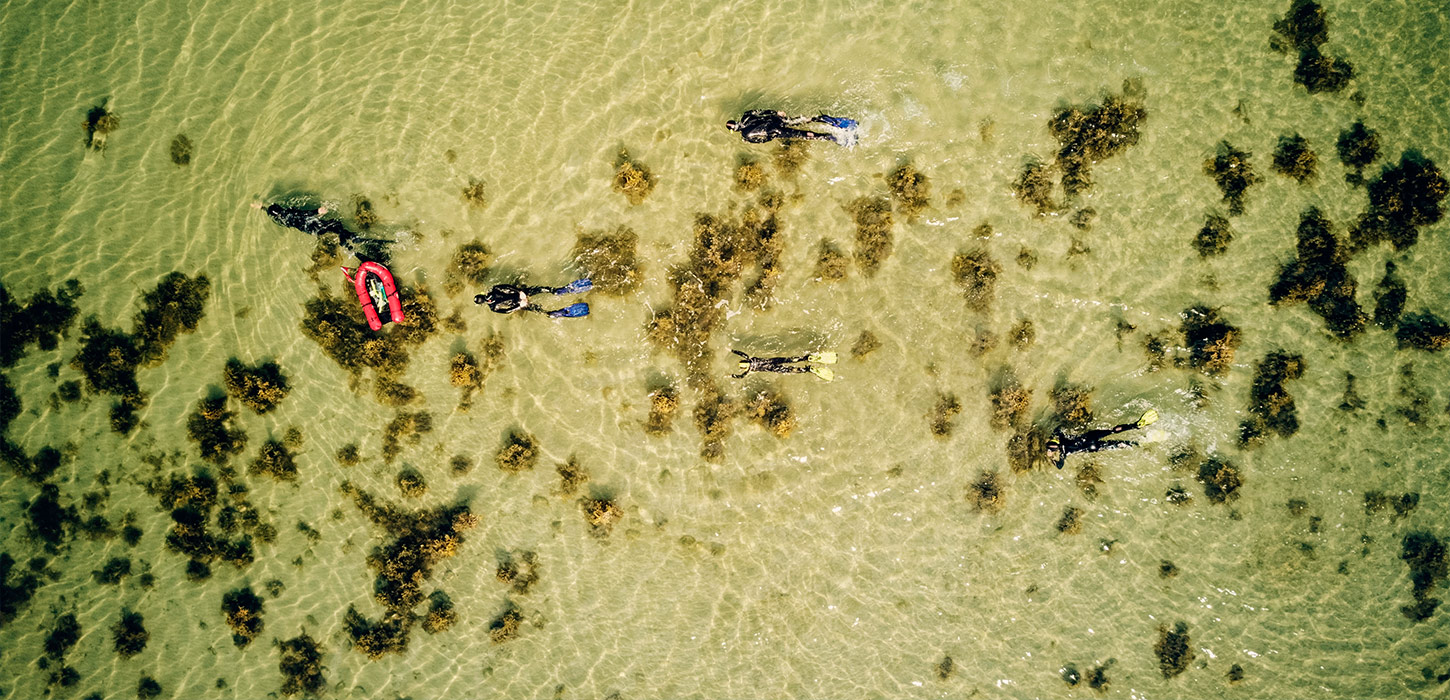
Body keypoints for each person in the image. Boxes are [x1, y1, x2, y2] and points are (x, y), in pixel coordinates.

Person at [1046, 409, 1158, 469]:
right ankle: (1135, 425)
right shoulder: (1061, 438)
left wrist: (1051, 458)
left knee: (1117, 444)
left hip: (1092, 447)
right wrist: (1051, 436)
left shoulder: (1064, 453)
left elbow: (1060, 466)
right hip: (1090, 437)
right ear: (1056, 441)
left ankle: (1137, 444)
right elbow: (1058, 429)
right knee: (1113, 430)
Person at [725, 110, 857, 145]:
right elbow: (762, 111)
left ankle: (831, 137)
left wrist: (773, 136)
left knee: (803, 134)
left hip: (777, 131)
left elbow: (764, 139)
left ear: (734, 130)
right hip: (777, 120)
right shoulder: (746, 115)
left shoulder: (746, 136)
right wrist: (777, 113)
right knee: (801, 121)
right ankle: (824, 119)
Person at [474, 279, 592, 318]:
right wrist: (520, 292)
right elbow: (507, 287)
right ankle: (560, 291)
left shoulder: (493, 308)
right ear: (483, 294)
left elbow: (507, 311)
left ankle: (556, 313)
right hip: (522, 294)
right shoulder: (493, 289)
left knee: (543, 312)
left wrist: (519, 305)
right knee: (548, 290)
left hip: (520, 303)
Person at [730, 349, 836, 381]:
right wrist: (732, 350)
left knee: (789, 370)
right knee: (788, 360)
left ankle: (807, 369)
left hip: (773, 368)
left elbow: (741, 376)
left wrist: (731, 376)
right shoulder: (750, 358)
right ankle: (806, 358)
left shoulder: (749, 370)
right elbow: (741, 353)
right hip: (773, 361)